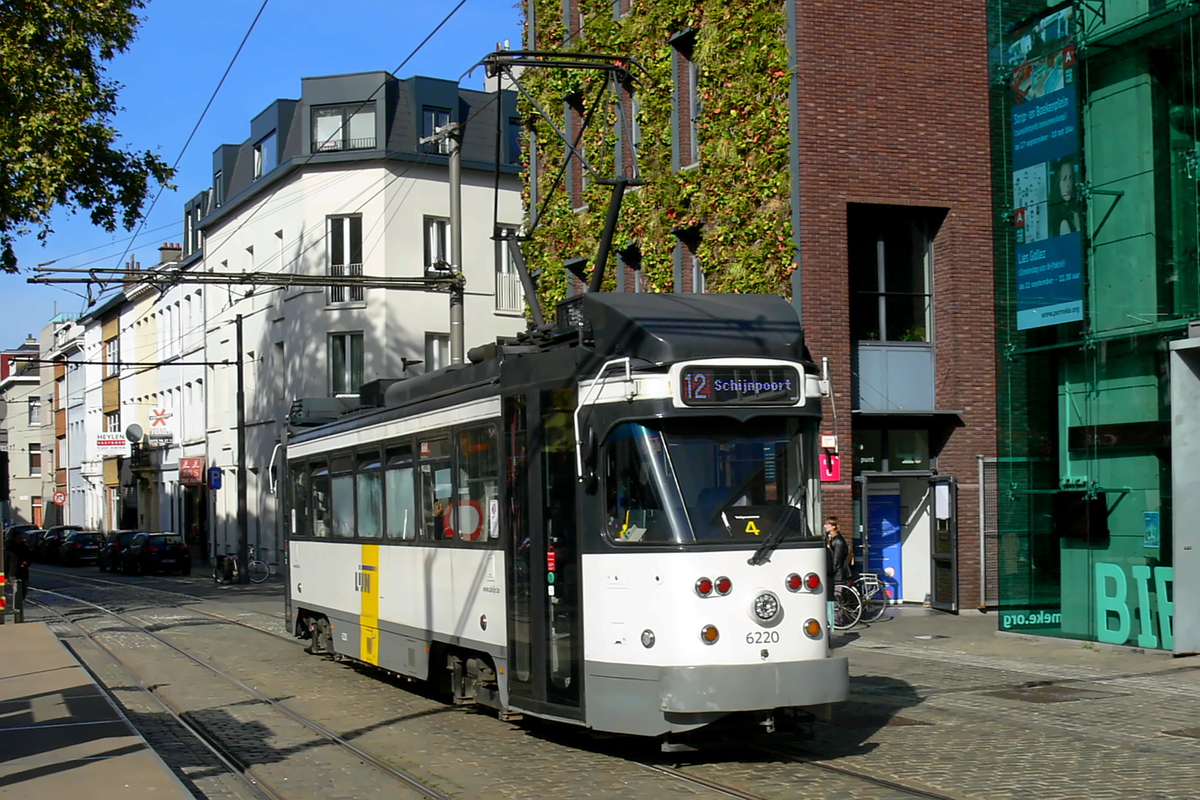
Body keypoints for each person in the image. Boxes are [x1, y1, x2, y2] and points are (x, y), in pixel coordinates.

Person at [1048, 157, 1082, 237]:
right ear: (1058, 183)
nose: (1068, 184)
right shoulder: (1063, 221)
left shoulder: (1073, 211)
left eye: (1070, 178)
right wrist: (1078, 229)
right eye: (1064, 179)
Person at [4, 528, 33, 594]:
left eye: (20, 538)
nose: (19, 539)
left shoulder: (24, 547)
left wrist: (27, 563)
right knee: (16, 591)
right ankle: (17, 602)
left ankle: (20, 601)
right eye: (17, 538)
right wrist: (5, 577)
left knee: (23, 590)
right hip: (13, 573)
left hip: (23, 572)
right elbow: (5, 563)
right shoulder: (9, 549)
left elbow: (30, 557)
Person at [824, 516, 851, 585]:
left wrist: (830, 572)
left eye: (827, 524)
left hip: (838, 574)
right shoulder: (829, 537)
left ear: (833, 526)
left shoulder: (838, 541)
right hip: (833, 571)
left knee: (837, 593)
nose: (825, 526)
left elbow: (837, 560)